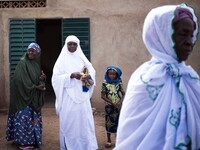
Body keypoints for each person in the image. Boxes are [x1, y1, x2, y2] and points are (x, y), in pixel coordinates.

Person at [115, 3, 200, 150]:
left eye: (191, 35)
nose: (189, 42)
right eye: (183, 33)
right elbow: (131, 137)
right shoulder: (145, 80)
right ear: (162, 35)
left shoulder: (191, 77)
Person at [52, 35, 98, 150]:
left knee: (83, 121)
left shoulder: (81, 58)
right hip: (68, 96)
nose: (72, 46)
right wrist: (71, 75)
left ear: (78, 45)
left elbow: (91, 70)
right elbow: (55, 78)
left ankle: (86, 145)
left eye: (74, 44)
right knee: (69, 121)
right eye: (70, 44)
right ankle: (69, 145)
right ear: (66, 45)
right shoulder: (61, 60)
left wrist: (88, 75)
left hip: (82, 95)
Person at [6, 43, 46, 150]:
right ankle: (23, 143)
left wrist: (42, 78)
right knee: (24, 119)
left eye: (33, 50)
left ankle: (33, 141)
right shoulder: (22, 63)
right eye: (29, 50)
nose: (31, 52)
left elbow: (36, 79)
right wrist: (35, 87)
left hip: (33, 96)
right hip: (23, 98)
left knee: (33, 119)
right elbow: (20, 80)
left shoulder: (36, 64)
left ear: (38, 53)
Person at [101, 66, 125, 148]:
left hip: (118, 107)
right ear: (107, 74)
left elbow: (123, 94)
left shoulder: (119, 83)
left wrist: (119, 102)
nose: (111, 76)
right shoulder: (105, 83)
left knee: (118, 122)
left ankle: (118, 140)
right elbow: (102, 96)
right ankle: (109, 140)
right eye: (110, 74)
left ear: (117, 75)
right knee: (109, 123)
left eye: (113, 74)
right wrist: (111, 102)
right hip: (109, 107)